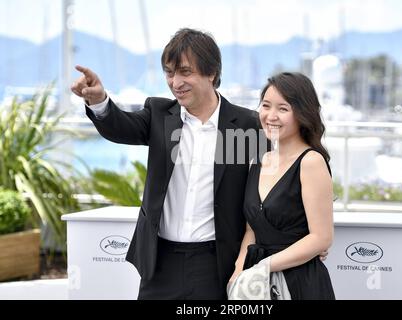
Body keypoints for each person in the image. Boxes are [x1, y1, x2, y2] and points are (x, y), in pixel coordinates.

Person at [71, 28, 265, 300]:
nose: (175, 82)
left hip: (217, 263)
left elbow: (273, 184)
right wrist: (99, 102)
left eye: (185, 72)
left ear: (211, 73)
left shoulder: (246, 126)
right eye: (169, 73)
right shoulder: (159, 114)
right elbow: (120, 126)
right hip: (159, 263)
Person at [229, 72, 335, 300]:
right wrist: (240, 269)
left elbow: (321, 238)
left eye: (283, 109)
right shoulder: (258, 160)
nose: (271, 116)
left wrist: (265, 266)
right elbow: (252, 228)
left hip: (300, 284)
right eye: (266, 106)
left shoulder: (311, 162)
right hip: (258, 285)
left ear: (302, 114)